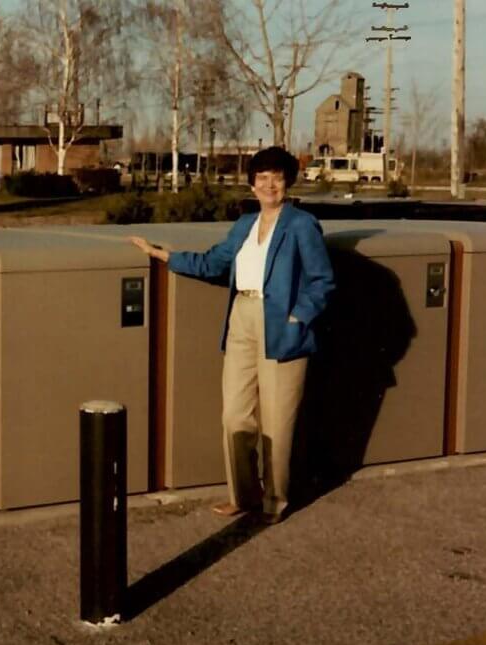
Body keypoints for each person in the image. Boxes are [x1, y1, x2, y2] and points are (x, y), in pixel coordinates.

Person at [130, 146, 335, 524]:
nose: (269, 185)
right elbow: (214, 263)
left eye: (276, 177)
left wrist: (297, 317)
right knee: (235, 416)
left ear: (287, 182)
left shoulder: (302, 224)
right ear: (252, 185)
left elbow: (322, 281)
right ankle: (244, 496)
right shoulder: (244, 225)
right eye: (262, 179)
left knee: (277, 420)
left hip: (281, 324)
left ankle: (275, 501)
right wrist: (164, 256)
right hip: (241, 316)